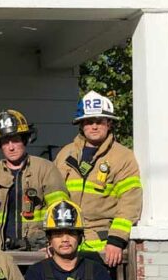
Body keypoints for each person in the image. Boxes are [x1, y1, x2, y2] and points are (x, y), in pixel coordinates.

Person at [54, 91, 142, 268]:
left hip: (103, 247)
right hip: (66, 242)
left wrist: (116, 240)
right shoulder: (65, 154)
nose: (94, 127)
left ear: (109, 123)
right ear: (81, 125)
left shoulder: (123, 157)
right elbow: (52, 197)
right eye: (88, 121)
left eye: (99, 121)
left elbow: (130, 202)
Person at [0, 109, 69, 251]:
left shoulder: (45, 169)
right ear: (0, 145)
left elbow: (60, 211)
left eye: (16, 140)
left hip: (38, 250)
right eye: (5, 141)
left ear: (25, 140)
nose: (11, 147)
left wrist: (52, 244)